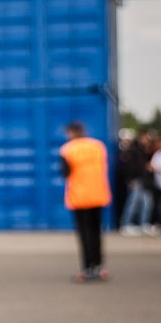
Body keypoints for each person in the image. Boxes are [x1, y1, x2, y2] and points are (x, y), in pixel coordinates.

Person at [59, 121, 112, 282]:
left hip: (79, 197)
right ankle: (99, 267)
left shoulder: (68, 149)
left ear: (73, 132)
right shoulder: (98, 146)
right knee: (96, 232)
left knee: (84, 234)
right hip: (98, 194)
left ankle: (87, 268)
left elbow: (65, 172)